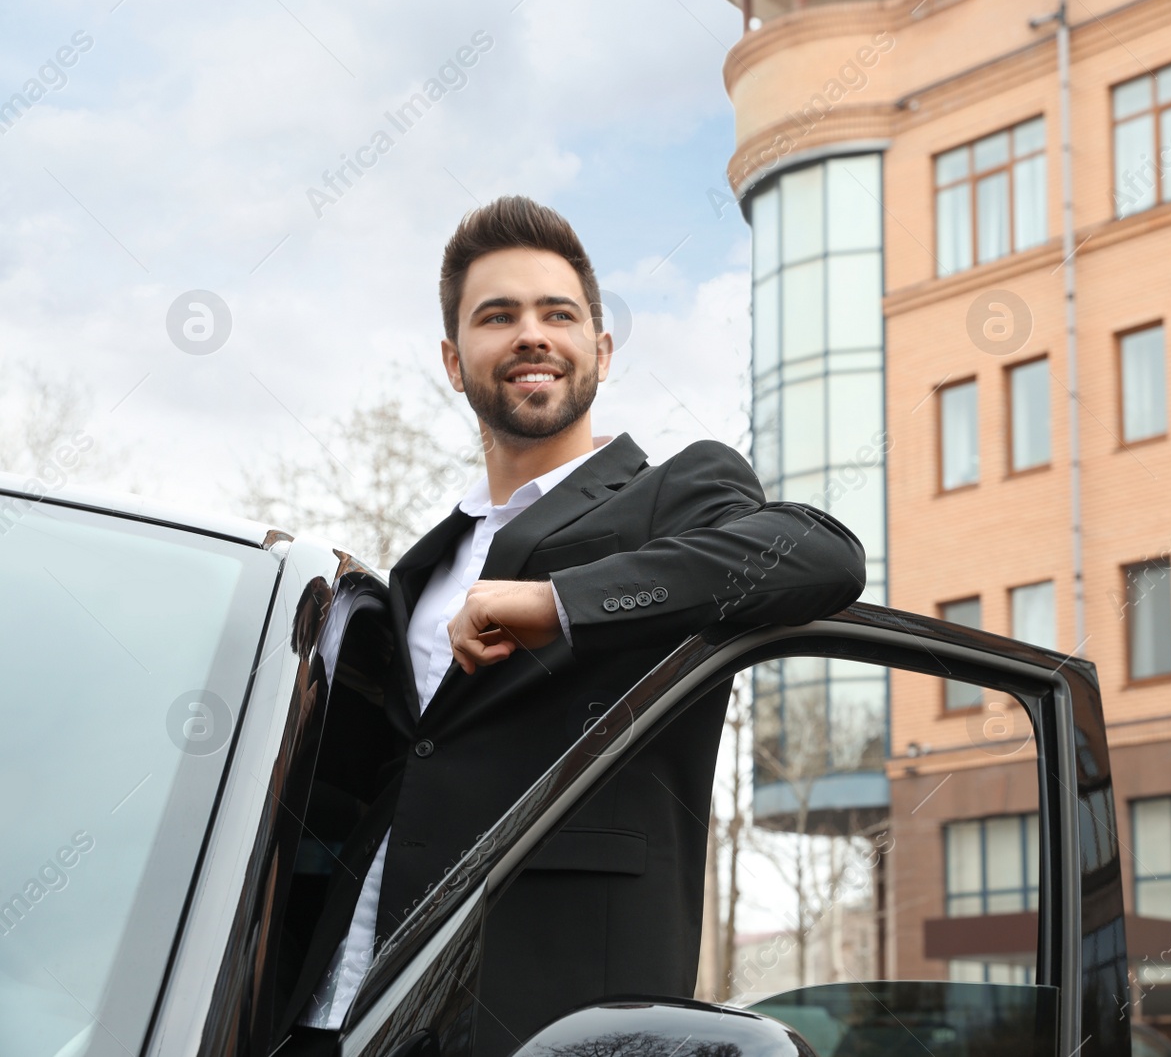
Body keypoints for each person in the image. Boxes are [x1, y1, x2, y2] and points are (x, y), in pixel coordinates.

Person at [272, 196, 866, 1055]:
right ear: (453, 358)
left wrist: (559, 604)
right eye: (498, 315)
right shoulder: (423, 564)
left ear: (601, 348)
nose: (532, 334)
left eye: (559, 313)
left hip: (546, 1016)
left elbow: (821, 553)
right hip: (337, 1008)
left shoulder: (672, 492)